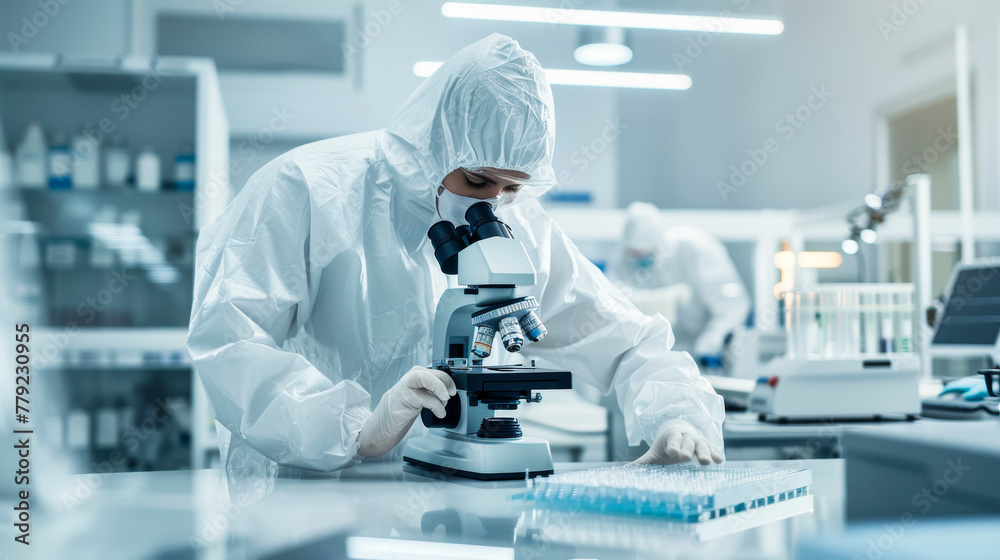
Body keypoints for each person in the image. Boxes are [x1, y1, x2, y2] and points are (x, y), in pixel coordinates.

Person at [187, 34, 725, 473]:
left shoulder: (520, 225)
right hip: (309, 497)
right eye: (476, 178)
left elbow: (625, 339)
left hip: (446, 499)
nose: (491, 204)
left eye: (511, 189)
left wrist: (676, 416)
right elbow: (229, 341)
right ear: (437, 138)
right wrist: (354, 426)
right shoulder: (308, 189)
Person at [607, 202, 751, 363]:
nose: (641, 261)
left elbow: (732, 306)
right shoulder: (622, 259)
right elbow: (614, 305)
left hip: (703, 353)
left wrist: (709, 345)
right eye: (635, 255)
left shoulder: (694, 247)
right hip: (657, 358)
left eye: (647, 254)